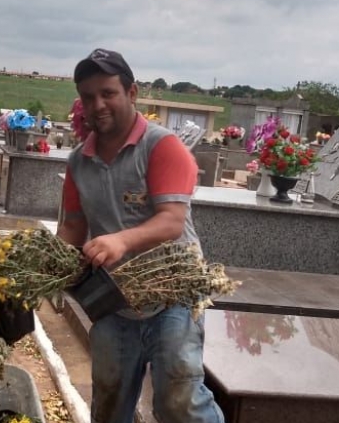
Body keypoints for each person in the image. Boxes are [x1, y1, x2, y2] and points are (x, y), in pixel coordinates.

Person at [57, 48, 224, 423]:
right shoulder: (78, 161)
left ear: (131, 93)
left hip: (173, 295)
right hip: (113, 300)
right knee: (110, 404)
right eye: (88, 97)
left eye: (108, 93)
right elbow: (73, 227)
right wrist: (43, 267)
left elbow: (172, 221)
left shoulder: (162, 146)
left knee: (179, 403)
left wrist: (120, 240)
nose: (98, 105)